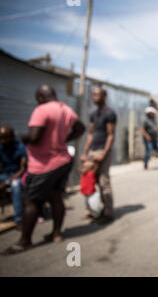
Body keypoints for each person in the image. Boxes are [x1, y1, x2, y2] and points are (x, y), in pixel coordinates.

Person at [1, 85, 85, 255]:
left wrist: (24, 137)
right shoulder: (66, 109)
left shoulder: (41, 110)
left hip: (43, 165)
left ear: (40, 97)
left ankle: (25, 241)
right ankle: (56, 233)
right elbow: (80, 128)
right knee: (56, 197)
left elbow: (34, 137)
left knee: (31, 201)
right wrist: (65, 139)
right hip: (63, 161)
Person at [80, 87, 116, 225]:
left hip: (102, 151)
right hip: (93, 151)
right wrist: (85, 153)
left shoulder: (109, 113)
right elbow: (90, 134)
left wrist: (104, 154)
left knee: (103, 182)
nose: (94, 97)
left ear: (104, 96)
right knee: (89, 182)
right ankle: (93, 210)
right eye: (93, 95)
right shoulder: (94, 114)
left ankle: (108, 212)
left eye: (97, 95)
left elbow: (111, 135)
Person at [0, 126, 27, 226]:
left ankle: (18, 218)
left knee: (16, 186)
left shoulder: (21, 148)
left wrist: (6, 182)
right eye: (1, 138)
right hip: (5, 175)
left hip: (18, 175)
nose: (2, 140)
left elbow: (22, 169)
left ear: (12, 137)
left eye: (5, 137)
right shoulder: (1, 147)